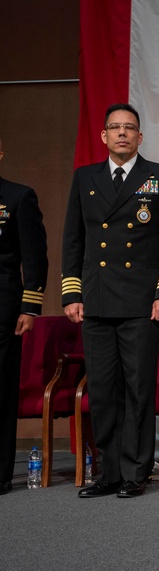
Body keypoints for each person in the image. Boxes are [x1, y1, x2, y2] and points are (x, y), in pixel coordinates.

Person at [62, 103, 159, 499]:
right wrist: (72, 292)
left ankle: (136, 471)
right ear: (103, 136)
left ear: (139, 136)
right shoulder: (86, 178)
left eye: (129, 128)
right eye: (114, 128)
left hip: (141, 302)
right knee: (102, 390)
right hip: (97, 299)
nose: (121, 134)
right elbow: (73, 239)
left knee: (137, 388)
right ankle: (109, 472)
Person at [0, 137, 48, 496]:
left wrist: (30, 305)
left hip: (3, 305)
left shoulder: (17, 196)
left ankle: (0, 473)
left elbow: (34, 256)